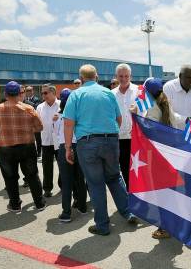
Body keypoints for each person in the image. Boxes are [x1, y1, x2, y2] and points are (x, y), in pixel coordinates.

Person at [63, 64, 136, 236]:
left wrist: (68, 147)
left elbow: (68, 123)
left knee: (95, 183)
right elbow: (118, 119)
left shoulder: (76, 94)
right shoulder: (107, 93)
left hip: (87, 143)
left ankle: (102, 225)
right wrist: (110, 136)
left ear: (81, 79)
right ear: (96, 77)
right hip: (110, 139)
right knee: (115, 176)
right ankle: (128, 212)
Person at [0, 81, 46, 212]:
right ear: (19, 93)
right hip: (27, 147)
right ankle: (39, 203)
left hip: (6, 148)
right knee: (32, 175)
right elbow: (40, 127)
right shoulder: (29, 108)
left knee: (10, 177)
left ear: (5, 94)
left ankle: (15, 204)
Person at [139, 77, 183, 239]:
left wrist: (137, 118)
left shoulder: (151, 109)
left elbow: (148, 131)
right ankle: (176, 223)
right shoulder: (167, 105)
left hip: (158, 156)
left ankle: (165, 228)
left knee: (162, 194)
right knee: (171, 192)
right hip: (171, 154)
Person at [54, 88, 87, 223]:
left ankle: (66, 213)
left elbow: (56, 135)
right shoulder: (80, 115)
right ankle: (82, 207)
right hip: (79, 146)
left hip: (64, 147)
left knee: (66, 181)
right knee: (80, 178)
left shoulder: (57, 117)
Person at [111, 63, 139, 191]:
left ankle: (139, 197)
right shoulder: (111, 94)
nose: (123, 79)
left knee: (139, 170)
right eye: (120, 76)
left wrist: (138, 111)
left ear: (130, 76)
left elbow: (148, 112)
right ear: (116, 76)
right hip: (119, 139)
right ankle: (130, 197)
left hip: (137, 138)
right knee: (125, 170)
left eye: (126, 76)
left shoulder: (139, 91)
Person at [37, 84, 60, 197]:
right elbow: (37, 123)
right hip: (46, 141)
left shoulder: (62, 105)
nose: (43, 95)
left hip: (60, 142)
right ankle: (47, 188)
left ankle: (63, 185)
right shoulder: (40, 107)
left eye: (45, 93)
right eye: (42, 93)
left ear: (53, 93)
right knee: (46, 167)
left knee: (62, 165)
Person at [24, 86, 42, 159]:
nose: (28, 92)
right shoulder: (24, 100)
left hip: (35, 122)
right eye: (27, 91)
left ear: (32, 91)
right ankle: (30, 152)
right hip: (27, 123)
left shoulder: (36, 99)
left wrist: (27, 103)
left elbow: (36, 108)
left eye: (30, 90)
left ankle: (39, 152)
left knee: (38, 138)